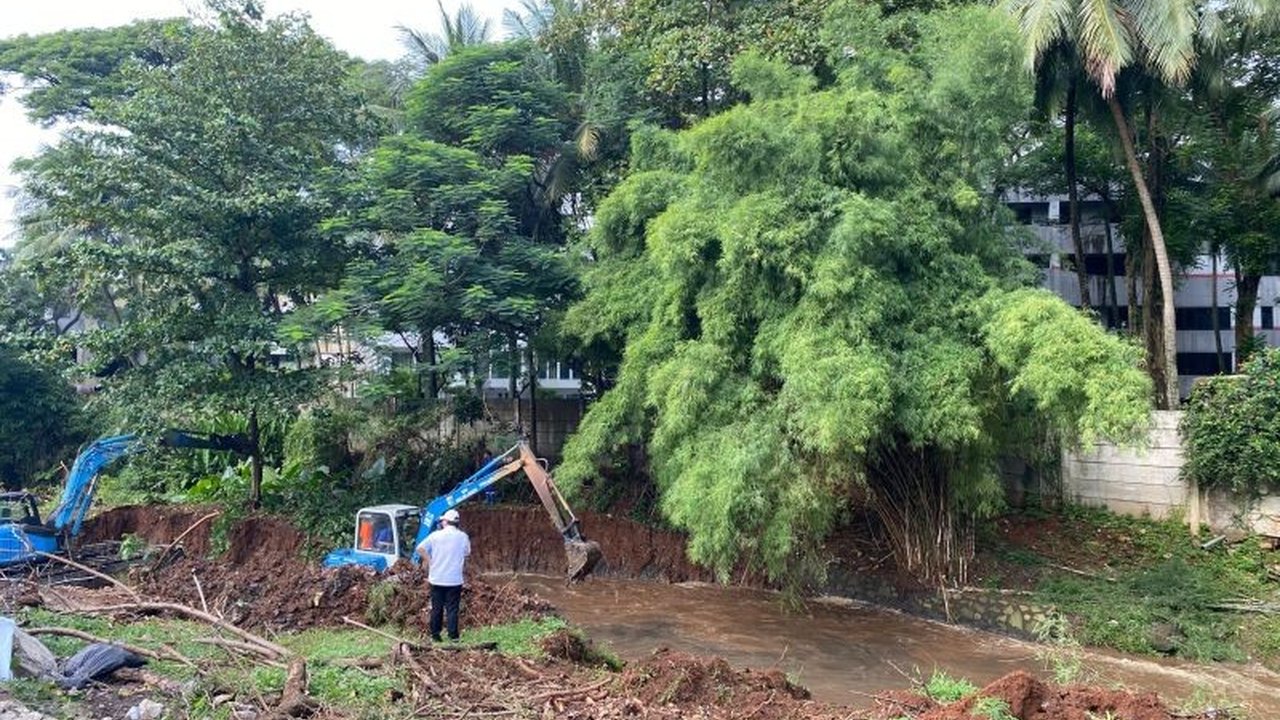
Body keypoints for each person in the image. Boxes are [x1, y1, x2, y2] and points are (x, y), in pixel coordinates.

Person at [415, 508, 471, 642]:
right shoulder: (463, 537)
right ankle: (453, 636)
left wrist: (430, 561)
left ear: (446, 522)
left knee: (437, 607)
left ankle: (435, 635)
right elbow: (467, 552)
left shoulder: (435, 535)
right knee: (452, 608)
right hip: (454, 579)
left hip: (437, 578)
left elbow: (420, 548)